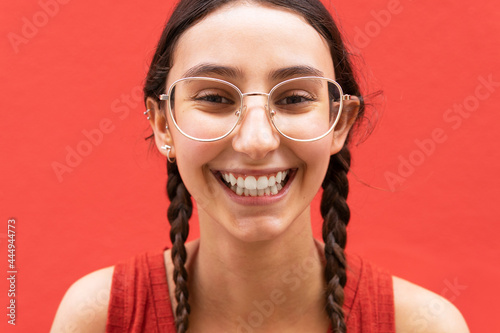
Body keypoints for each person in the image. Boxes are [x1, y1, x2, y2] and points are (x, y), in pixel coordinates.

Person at [50, 0, 470, 332]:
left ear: (339, 122)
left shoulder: (425, 326)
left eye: (293, 99)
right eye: (215, 98)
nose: (256, 142)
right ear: (164, 123)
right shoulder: (100, 318)